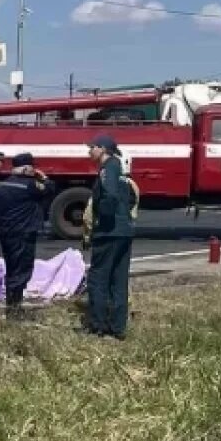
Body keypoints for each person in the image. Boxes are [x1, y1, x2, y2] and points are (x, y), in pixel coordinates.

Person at [82, 134, 134, 339]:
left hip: (109, 231)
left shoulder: (108, 168)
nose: (89, 152)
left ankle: (98, 325)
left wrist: (101, 220)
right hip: (124, 230)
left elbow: (110, 196)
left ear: (102, 149)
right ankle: (118, 327)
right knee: (119, 279)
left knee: (98, 278)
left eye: (91, 148)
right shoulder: (119, 168)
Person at [0, 153, 53, 318]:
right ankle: (14, 309)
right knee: (22, 270)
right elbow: (50, 188)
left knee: (12, 269)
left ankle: (12, 306)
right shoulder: (30, 185)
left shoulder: (1, 186)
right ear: (26, 168)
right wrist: (43, 177)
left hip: (6, 233)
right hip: (24, 234)